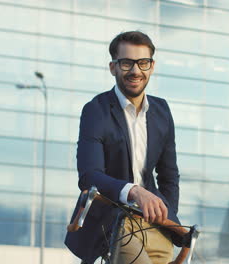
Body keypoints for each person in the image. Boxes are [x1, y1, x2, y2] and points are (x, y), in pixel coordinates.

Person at [65, 31, 180, 264]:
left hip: (155, 226)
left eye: (143, 63)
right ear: (113, 67)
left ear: (152, 66)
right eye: (127, 63)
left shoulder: (162, 111)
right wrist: (135, 191)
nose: (136, 71)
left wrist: (167, 216)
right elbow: (89, 176)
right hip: (114, 222)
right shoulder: (96, 111)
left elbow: (169, 175)